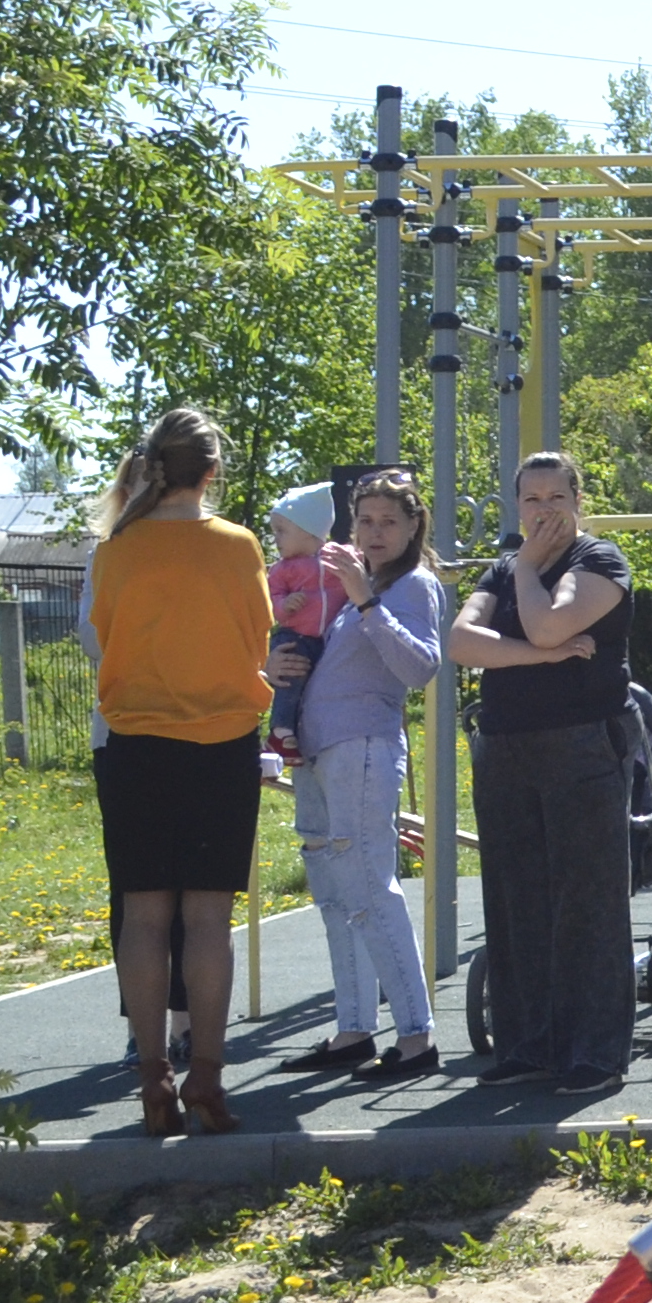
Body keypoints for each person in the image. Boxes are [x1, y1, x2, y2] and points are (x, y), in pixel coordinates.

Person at [87, 406, 274, 1137]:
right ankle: (207, 1076)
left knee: (143, 912)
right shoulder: (237, 545)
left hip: (135, 742)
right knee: (207, 916)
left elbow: (103, 634)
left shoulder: (115, 548)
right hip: (221, 740)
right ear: (212, 471)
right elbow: (258, 635)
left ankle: (150, 1075)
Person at [447, 450, 634, 1091]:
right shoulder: (503, 568)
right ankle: (528, 1046)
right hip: (506, 748)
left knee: (587, 901)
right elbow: (461, 643)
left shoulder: (600, 561)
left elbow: (552, 625)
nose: (545, 510)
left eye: (557, 497)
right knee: (514, 900)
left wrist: (527, 577)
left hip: (582, 745)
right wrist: (536, 656)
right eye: (532, 499)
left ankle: (596, 1052)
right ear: (517, 505)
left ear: (579, 501)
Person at [273, 469, 447, 1077]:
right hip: (319, 755)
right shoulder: (348, 588)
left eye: (388, 522)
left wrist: (367, 601)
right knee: (334, 894)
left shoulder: (410, 586)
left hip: (364, 747)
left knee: (372, 888)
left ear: (411, 527)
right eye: (364, 521)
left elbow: (420, 667)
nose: (374, 533)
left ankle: (417, 1036)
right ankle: (354, 1028)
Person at [263, 480, 345, 765]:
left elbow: (363, 569)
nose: (276, 538)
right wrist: (284, 606)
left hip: (325, 640)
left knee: (315, 685)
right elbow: (271, 600)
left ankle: (297, 734)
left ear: (309, 531)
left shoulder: (337, 558)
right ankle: (280, 731)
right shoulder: (283, 569)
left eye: (282, 531)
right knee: (291, 675)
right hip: (293, 636)